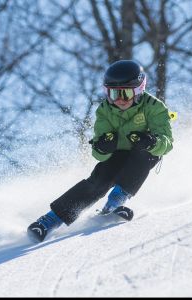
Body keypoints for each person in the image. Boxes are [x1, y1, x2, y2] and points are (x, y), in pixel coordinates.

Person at [27, 59, 174, 242]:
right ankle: (50, 221)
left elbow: (167, 143)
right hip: (118, 154)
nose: (119, 100)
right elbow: (98, 153)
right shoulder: (105, 110)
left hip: (143, 152)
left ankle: (115, 202)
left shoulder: (154, 107)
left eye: (126, 94)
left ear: (138, 91)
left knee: (143, 156)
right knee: (99, 179)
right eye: (113, 94)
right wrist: (103, 147)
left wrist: (152, 142)